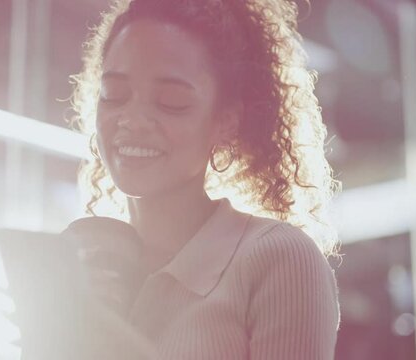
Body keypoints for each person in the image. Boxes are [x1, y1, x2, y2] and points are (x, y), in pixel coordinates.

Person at [67, 0, 341, 358]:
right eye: (114, 96)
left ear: (225, 121)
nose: (132, 120)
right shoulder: (87, 259)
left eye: (171, 101)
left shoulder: (277, 259)